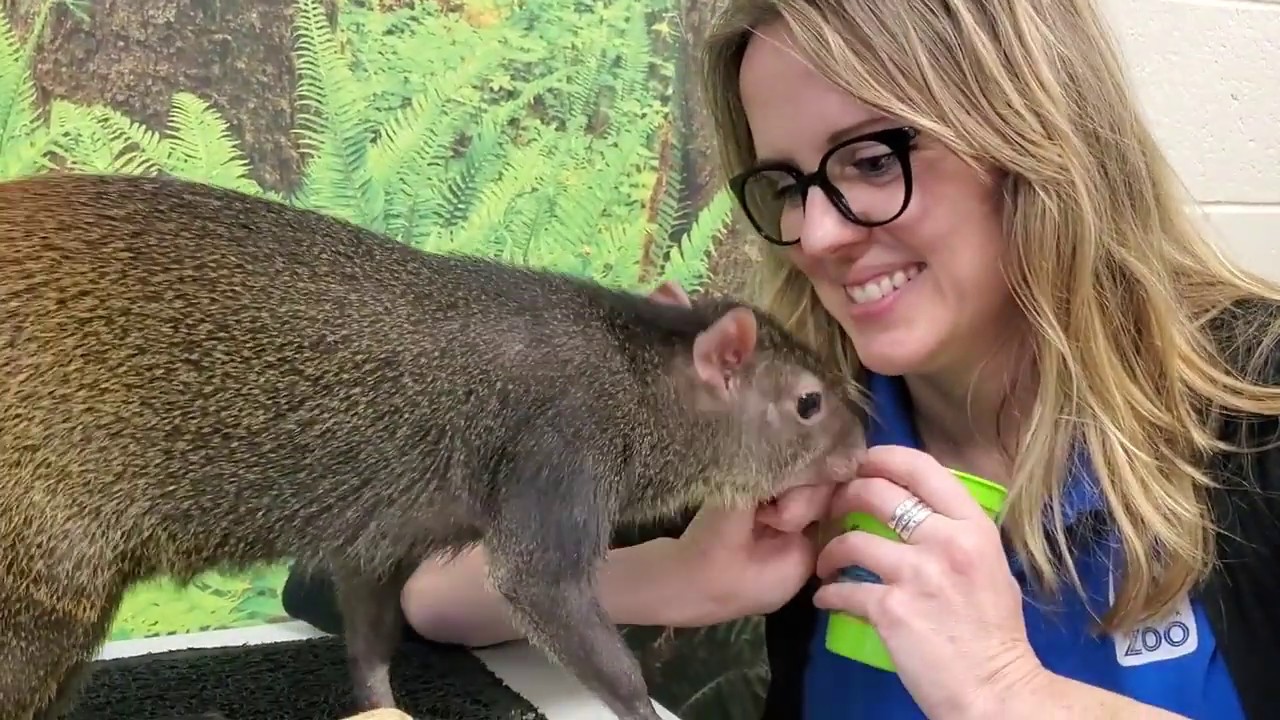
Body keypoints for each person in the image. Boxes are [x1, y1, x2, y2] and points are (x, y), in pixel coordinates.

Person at [282, 0, 1280, 717]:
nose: (813, 236)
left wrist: (1009, 692)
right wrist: (672, 579)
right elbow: (352, 575)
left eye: (869, 160)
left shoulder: (1254, 396)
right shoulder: (784, 420)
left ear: (1028, 137)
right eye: (786, 185)